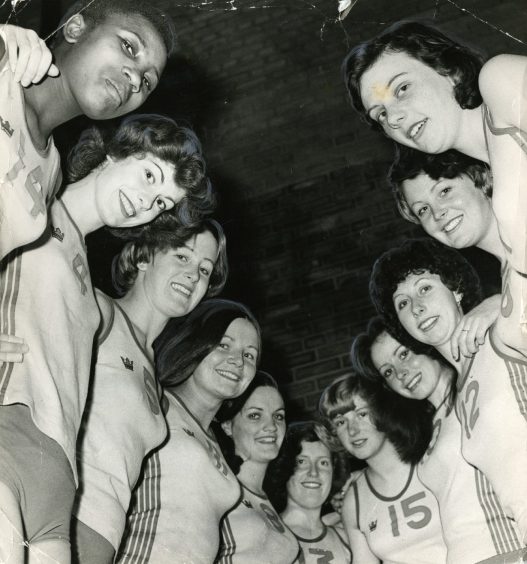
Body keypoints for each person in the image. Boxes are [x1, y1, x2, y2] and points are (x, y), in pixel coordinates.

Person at [0, 114, 212, 563]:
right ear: (115, 151)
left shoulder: (92, 294)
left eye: (160, 201)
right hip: (10, 427)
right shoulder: (34, 205)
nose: (145, 202)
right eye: (148, 175)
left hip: (59, 475)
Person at [343, 21, 527, 323]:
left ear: (448, 70)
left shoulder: (499, 80)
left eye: (402, 89)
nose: (395, 118)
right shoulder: (493, 172)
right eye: (382, 114)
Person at [72, 217, 227, 563]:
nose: (193, 275)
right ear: (143, 256)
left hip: (105, 534)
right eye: (183, 257)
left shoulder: (154, 373)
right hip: (64, 514)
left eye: (204, 269)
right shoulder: (101, 312)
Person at [369, 237, 527, 543]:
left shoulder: (500, 336)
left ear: (455, 287)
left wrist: (500, 302)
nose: (416, 308)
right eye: (402, 303)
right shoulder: (459, 388)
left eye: (425, 288)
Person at [0, 0, 175, 259]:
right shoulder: (3, 63)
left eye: (148, 81)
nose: (136, 80)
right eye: (128, 46)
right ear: (75, 29)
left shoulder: (51, 173)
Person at [351, 316, 525, 563]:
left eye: (403, 354)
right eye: (388, 371)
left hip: (502, 551)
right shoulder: (428, 429)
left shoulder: (473, 390)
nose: (401, 373)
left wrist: (493, 307)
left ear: (422, 344)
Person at [117, 299, 261, 564]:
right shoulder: (157, 403)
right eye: (224, 345)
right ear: (196, 345)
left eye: (249, 354)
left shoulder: (217, 443)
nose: (237, 361)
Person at [319, 373, 446, 564]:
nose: (352, 430)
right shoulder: (354, 501)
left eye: (362, 414)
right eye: (340, 422)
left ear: (384, 412)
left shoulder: (431, 460)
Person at [214, 371, 300, 564]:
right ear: (227, 425)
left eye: (278, 416)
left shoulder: (266, 495)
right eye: (255, 415)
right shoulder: (221, 493)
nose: (271, 426)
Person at [267, 421, 352, 564]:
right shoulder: (265, 534)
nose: (314, 472)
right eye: (302, 462)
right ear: (285, 467)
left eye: (323, 463)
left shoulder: (346, 539)